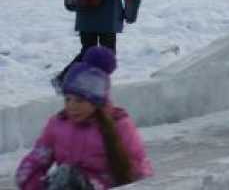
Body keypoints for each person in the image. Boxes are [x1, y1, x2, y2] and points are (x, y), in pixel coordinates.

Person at [16, 46, 153, 189]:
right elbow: (38, 158)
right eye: (67, 99)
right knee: (65, 175)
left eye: (80, 100)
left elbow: (139, 167)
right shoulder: (58, 125)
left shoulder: (119, 124)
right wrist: (31, 181)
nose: (72, 106)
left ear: (96, 102)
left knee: (71, 177)